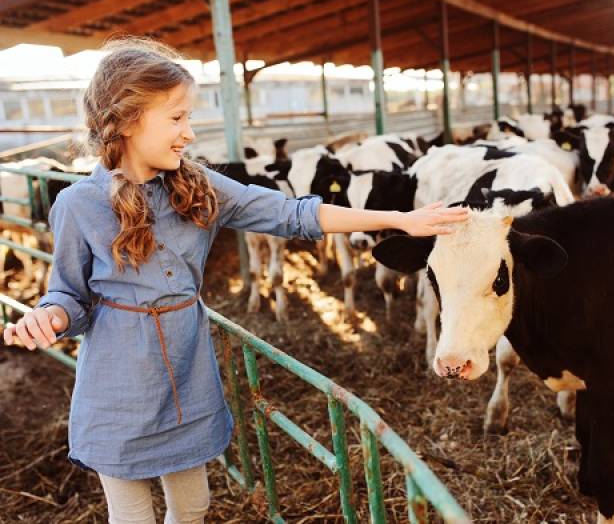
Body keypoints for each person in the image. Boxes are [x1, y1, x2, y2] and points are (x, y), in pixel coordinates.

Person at [1, 38, 466, 524]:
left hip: (187, 375)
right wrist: (50, 316)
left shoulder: (197, 186)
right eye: (176, 118)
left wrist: (396, 218)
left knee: (193, 506)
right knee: (132, 517)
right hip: (118, 386)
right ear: (128, 119)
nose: (188, 133)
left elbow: (291, 213)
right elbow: (68, 294)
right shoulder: (79, 205)